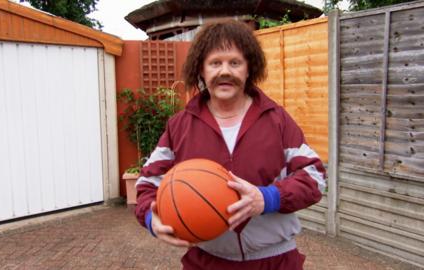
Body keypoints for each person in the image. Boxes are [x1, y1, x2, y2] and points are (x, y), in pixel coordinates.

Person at [134, 19, 326, 270]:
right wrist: (151, 218)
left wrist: (267, 198)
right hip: (206, 261)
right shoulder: (179, 126)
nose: (225, 71)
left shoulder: (277, 120)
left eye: (235, 62)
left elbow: (314, 177)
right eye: (215, 63)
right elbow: (147, 183)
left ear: (249, 69)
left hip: (274, 261)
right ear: (201, 70)